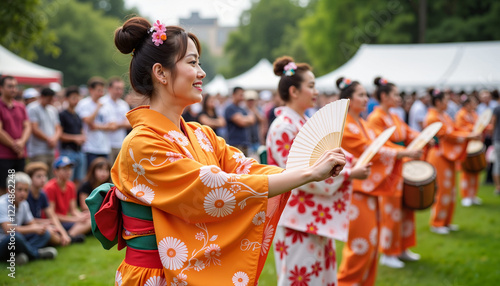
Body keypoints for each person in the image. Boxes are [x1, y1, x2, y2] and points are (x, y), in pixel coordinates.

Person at [87, 17, 346, 286]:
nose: (202, 72)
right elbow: (214, 188)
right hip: (153, 276)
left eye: (199, 62)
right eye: (192, 62)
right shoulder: (141, 144)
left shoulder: (202, 134)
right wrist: (307, 173)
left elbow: (247, 169)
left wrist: (310, 169)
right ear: (160, 73)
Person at [267, 56, 371, 286]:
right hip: (295, 214)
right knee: (300, 277)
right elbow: (297, 175)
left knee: (321, 275)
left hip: (314, 214)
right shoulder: (283, 126)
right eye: (311, 86)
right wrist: (349, 173)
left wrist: (347, 163)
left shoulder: (300, 122)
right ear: (294, 91)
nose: (316, 92)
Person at [336, 77, 421, 286]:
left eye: (366, 94)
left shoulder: (363, 123)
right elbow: (370, 149)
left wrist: (406, 149)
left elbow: (381, 145)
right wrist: (404, 153)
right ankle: (347, 282)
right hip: (355, 188)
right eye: (361, 95)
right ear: (348, 99)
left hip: (369, 186)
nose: (366, 99)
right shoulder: (344, 125)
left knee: (371, 243)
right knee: (361, 244)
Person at [367, 77, 422, 269]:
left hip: (400, 164)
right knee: (391, 210)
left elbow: (408, 132)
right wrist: (404, 152)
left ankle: (403, 248)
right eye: (395, 94)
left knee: (406, 207)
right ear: (384, 96)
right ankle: (388, 252)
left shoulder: (395, 116)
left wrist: (423, 138)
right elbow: (379, 145)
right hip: (388, 169)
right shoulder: (376, 118)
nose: (399, 98)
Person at [424, 89, 480, 235]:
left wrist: (468, 133)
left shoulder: (444, 116)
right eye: (445, 100)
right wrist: (468, 135)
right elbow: (447, 134)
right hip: (438, 154)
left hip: (447, 155)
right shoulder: (432, 117)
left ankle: (446, 221)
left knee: (450, 190)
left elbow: (455, 129)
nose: (447, 103)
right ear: (438, 102)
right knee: (442, 190)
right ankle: (437, 222)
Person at [0, 172, 57, 265]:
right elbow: (9, 230)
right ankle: (37, 254)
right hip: (3, 242)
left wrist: (43, 228)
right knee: (15, 237)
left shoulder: (24, 204)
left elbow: (32, 223)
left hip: (18, 241)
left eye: (26, 190)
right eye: (19, 189)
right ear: (9, 190)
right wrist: (34, 228)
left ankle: (20, 255)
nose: (23, 193)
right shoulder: (2, 204)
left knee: (45, 233)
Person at [24, 162, 72, 246]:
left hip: (40, 226)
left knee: (55, 230)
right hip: (28, 228)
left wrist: (63, 233)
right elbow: (25, 221)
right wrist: (46, 223)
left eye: (44, 176)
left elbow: (52, 215)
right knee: (51, 234)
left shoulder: (42, 194)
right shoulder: (25, 195)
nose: (43, 179)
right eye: (38, 176)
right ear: (30, 178)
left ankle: (65, 238)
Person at [44, 156, 91, 241]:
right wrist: (75, 219)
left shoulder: (71, 186)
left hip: (65, 220)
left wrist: (82, 216)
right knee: (88, 223)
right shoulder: (50, 188)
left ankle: (69, 236)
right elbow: (52, 215)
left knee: (89, 220)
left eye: (69, 168)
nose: (68, 171)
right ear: (56, 171)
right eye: (64, 169)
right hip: (53, 222)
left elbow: (73, 210)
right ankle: (69, 236)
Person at [0, 76, 31, 194]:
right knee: (6, 188)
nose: (13, 89)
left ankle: (16, 212)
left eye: (15, 86)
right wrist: (15, 145)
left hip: (20, 155)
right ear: (1, 88)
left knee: (20, 188)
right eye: (10, 86)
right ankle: (5, 212)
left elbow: (27, 126)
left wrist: (22, 142)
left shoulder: (20, 106)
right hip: (4, 156)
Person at [76, 77, 115, 169]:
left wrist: (97, 126)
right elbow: (88, 121)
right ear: (91, 90)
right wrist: (97, 108)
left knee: (104, 175)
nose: (101, 93)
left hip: (104, 147)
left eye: (102, 91)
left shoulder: (107, 105)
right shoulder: (84, 104)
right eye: (98, 90)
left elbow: (113, 126)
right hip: (90, 147)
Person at [26, 87, 61, 177]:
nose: (50, 101)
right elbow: (34, 128)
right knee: (39, 177)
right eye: (48, 98)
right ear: (42, 97)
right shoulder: (32, 108)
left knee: (51, 177)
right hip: (38, 150)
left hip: (51, 150)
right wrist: (49, 139)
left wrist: (54, 139)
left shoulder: (53, 110)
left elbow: (58, 128)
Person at [455, 95, 483, 206]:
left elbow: (480, 125)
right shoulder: (461, 114)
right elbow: (460, 128)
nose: (475, 105)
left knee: (475, 171)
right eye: (473, 102)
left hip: (475, 145)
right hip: (466, 146)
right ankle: (465, 196)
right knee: (466, 171)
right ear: (467, 104)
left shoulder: (474, 114)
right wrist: (473, 130)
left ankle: (473, 195)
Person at [59, 86, 86, 188]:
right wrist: (76, 138)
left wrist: (82, 137)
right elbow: (60, 135)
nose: (76, 100)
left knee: (78, 179)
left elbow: (81, 131)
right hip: (68, 151)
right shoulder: (62, 114)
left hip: (79, 151)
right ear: (67, 99)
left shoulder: (77, 115)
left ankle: (73, 201)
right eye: (73, 98)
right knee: (67, 179)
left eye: (77, 97)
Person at [100, 77, 131, 163]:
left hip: (120, 143)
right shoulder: (102, 102)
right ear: (109, 89)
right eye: (117, 89)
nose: (119, 92)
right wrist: (120, 124)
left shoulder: (123, 104)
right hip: (105, 144)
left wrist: (116, 125)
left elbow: (129, 123)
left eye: (121, 89)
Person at [224, 87, 257, 156]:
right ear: (234, 95)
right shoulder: (230, 108)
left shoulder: (242, 109)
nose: (242, 97)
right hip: (235, 144)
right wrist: (246, 119)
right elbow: (241, 122)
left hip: (245, 143)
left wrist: (244, 119)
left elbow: (252, 120)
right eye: (240, 95)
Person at [492, 96, 500, 195]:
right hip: (498, 138)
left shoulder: (497, 108)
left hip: (497, 138)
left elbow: (493, 123)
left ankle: (498, 186)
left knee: (497, 163)